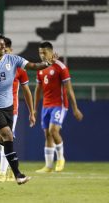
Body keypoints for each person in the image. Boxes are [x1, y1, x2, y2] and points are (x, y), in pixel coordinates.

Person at [0, 33, 56, 185]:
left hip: (9, 107)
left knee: (3, 139)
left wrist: (47, 63)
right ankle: (18, 174)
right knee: (8, 137)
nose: (2, 46)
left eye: (3, 44)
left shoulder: (14, 60)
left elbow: (33, 66)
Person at [0, 37, 35, 182]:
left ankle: (7, 171)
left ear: (11, 51)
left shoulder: (19, 68)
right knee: (4, 138)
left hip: (13, 109)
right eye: (2, 48)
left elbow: (27, 91)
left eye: (6, 49)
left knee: (4, 138)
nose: (4, 52)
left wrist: (32, 111)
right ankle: (5, 172)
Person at [34, 42, 83, 173]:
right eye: (40, 53)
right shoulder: (40, 69)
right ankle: (48, 166)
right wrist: (34, 108)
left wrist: (75, 108)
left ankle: (61, 159)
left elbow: (69, 89)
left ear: (51, 52)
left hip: (59, 105)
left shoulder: (60, 67)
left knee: (53, 130)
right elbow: (38, 90)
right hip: (46, 106)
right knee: (47, 135)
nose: (42, 55)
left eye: (44, 52)